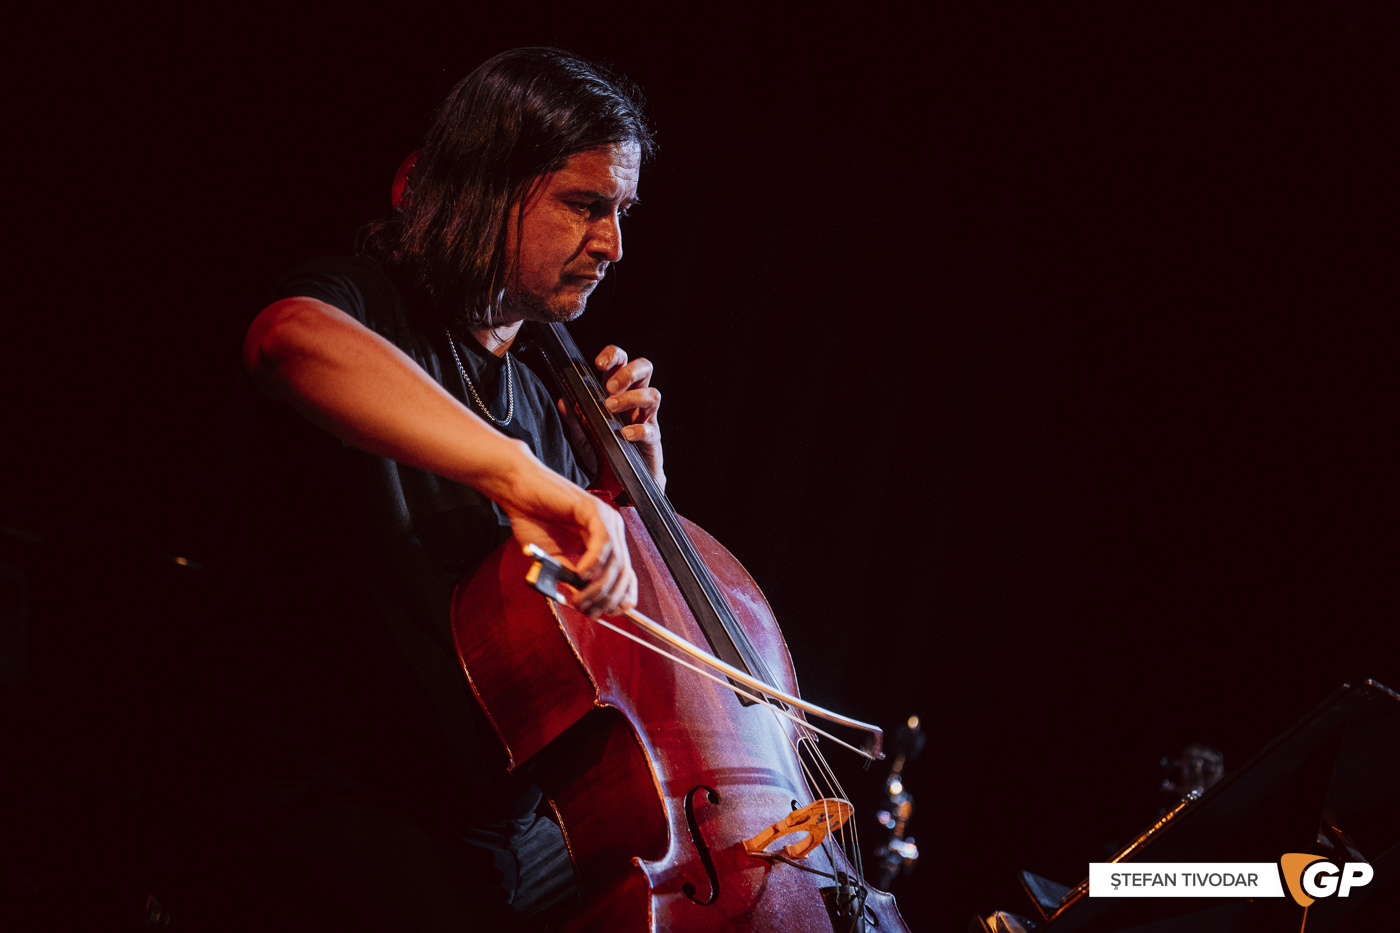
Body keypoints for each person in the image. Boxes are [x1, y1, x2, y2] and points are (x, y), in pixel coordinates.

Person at [168, 48, 660, 931]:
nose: (614, 245)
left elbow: (580, 655)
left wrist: (630, 495)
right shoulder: (366, 301)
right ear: (483, 184)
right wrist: (523, 476)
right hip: (330, 797)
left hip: (490, 828)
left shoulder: (552, 390)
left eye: (621, 212)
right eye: (585, 205)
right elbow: (285, 339)